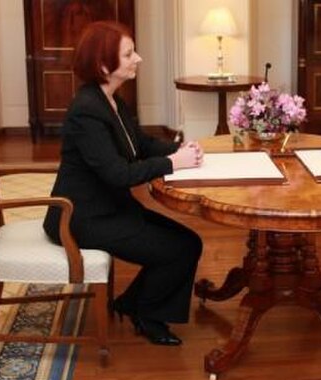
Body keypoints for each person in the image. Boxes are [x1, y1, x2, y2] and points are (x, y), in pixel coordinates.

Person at [43, 21, 204, 346]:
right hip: (82, 219)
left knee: (189, 242)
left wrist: (179, 149)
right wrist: (173, 164)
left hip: (111, 209)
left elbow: (140, 145)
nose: (138, 59)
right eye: (129, 54)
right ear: (104, 65)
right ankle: (145, 313)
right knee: (180, 250)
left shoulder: (112, 100)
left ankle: (133, 305)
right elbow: (118, 174)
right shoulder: (87, 111)